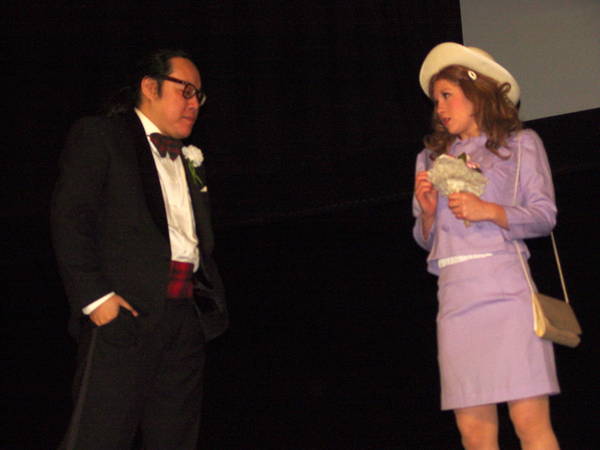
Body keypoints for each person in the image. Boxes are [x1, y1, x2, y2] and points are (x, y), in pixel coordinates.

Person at [51, 49, 228, 449]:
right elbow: (70, 219)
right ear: (150, 86)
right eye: (185, 90)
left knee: (175, 438)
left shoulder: (189, 157)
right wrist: (97, 300)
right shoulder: (102, 135)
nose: (194, 104)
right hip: (124, 316)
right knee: (98, 438)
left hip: (186, 316)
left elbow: (195, 240)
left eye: (199, 95)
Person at [412, 42, 560, 449]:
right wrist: (428, 214)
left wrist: (489, 210)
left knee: (529, 421)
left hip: (506, 292)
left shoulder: (521, 144)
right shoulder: (429, 159)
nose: (440, 108)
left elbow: (544, 216)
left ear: (476, 93)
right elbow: (424, 238)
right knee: (474, 433)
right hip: (455, 297)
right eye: (436, 100)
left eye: (447, 95)